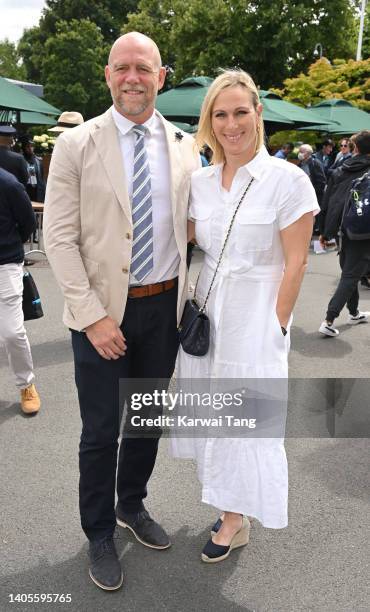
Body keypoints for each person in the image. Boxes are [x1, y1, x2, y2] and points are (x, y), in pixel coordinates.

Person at [43, 32, 200, 591]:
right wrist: (92, 316)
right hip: (100, 315)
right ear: (107, 75)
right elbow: (58, 238)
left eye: (144, 67)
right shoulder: (77, 145)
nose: (132, 77)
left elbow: (193, 230)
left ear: (161, 76)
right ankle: (99, 533)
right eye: (122, 67)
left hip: (163, 310)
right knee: (102, 430)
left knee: (147, 422)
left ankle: (131, 505)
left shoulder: (185, 146)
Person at [172, 70, 319, 563]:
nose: (231, 123)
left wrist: (276, 326)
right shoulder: (200, 182)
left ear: (258, 114)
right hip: (212, 316)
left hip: (257, 319)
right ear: (209, 122)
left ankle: (235, 519)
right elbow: (189, 240)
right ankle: (231, 506)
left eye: (240, 111)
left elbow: (296, 262)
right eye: (221, 114)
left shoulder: (288, 180)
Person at [318, 130, 370, 337]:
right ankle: (329, 319)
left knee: (350, 272)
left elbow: (328, 202)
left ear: (354, 149)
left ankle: (354, 313)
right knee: (351, 275)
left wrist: (324, 231)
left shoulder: (340, 170)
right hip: (364, 233)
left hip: (343, 230)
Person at [0, 167, 41, 414]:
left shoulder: (8, 183)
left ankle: (26, 384)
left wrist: (10, 247)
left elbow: (27, 223)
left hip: (5, 264)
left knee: (13, 333)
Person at [19, 136, 46, 202]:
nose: (30, 148)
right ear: (23, 148)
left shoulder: (38, 161)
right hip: (25, 190)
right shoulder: (19, 160)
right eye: (28, 146)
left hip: (37, 191)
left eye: (32, 146)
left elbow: (42, 178)